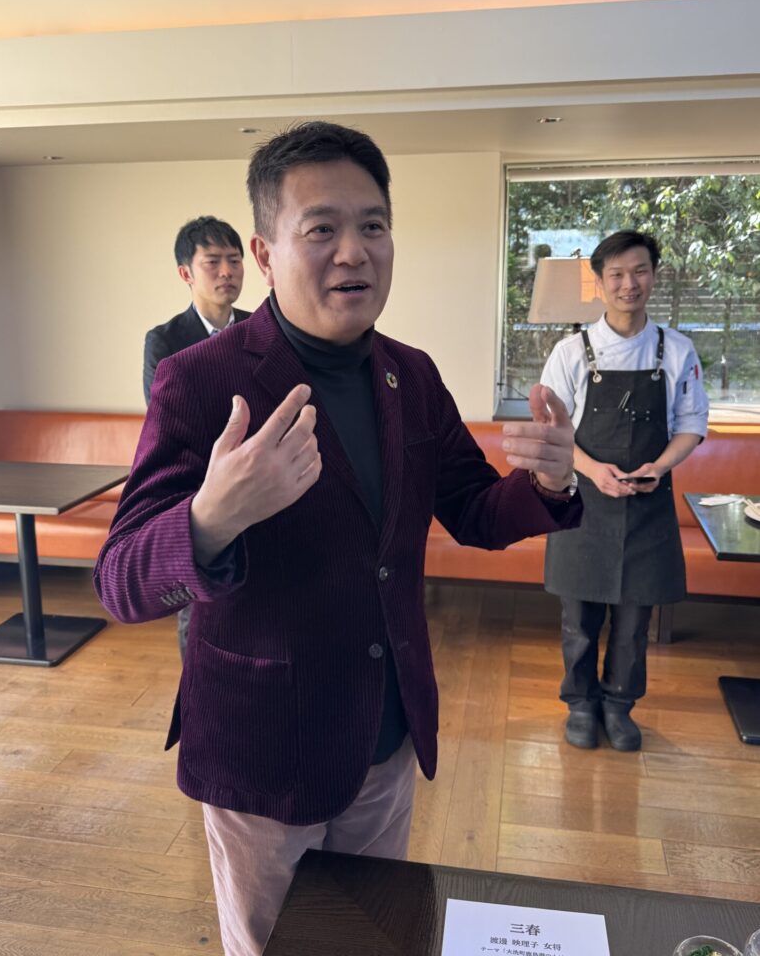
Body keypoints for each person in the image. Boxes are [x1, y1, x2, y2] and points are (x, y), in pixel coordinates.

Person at [95, 121, 581, 956]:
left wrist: (548, 484)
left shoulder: (410, 373)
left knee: (372, 938)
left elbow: (472, 510)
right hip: (263, 752)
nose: (354, 252)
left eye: (373, 225)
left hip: (386, 736)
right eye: (321, 228)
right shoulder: (200, 380)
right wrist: (215, 516)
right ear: (264, 253)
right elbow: (119, 580)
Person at [540, 230, 709, 753]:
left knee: (635, 622)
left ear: (654, 276)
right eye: (616, 274)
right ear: (599, 282)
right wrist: (595, 471)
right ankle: (581, 704)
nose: (628, 284)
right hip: (583, 504)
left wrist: (660, 466)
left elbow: (692, 424)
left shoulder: (676, 350)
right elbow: (554, 433)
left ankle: (618, 705)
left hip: (648, 503)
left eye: (639, 271)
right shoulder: (571, 352)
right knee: (579, 619)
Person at [143, 215, 250, 658]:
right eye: (213, 261)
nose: (227, 271)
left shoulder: (260, 328)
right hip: (199, 489)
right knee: (201, 605)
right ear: (186, 273)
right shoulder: (166, 341)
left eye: (235, 260)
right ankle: (199, 683)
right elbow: (168, 423)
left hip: (260, 479)